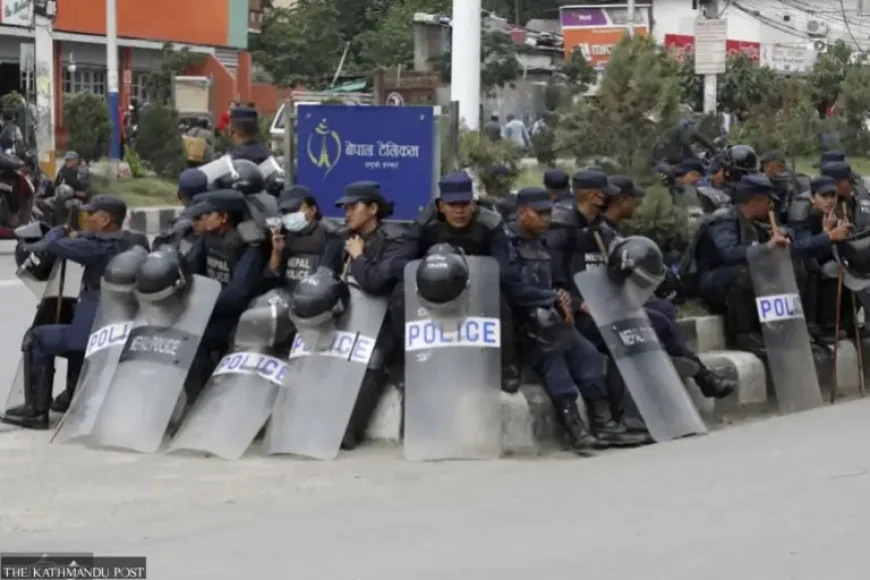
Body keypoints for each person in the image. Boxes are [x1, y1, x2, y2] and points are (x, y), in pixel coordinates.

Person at [506, 187, 645, 452]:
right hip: (522, 326)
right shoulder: (506, 242)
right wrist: (551, 297)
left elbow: (556, 280)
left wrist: (563, 297)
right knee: (554, 359)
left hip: (551, 319)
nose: (546, 219)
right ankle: (576, 429)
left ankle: (604, 425)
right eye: (540, 213)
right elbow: (512, 288)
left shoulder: (542, 241)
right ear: (522, 212)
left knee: (588, 354)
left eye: (548, 212)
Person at [1, 195, 135, 429]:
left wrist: (61, 229)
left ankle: (35, 411)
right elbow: (91, 239)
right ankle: (73, 396)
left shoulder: (92, 248)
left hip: (97, 331)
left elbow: (52, 244)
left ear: (106, 220)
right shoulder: (132, 242)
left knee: (38, 338)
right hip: (118, 324)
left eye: (91, 214)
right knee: (73, 327)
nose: (87, 218)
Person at [601, 176, 736, 399]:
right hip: (608, 303)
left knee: (663, 307)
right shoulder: (601, 233)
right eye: (634, 199)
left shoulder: (613, 231)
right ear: (622, 200)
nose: (637, 205)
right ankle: (702, 374)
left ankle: (680, 359)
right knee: (659, 317)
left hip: (624, 296)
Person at [392, 171, 527, 392]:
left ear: (474, 204)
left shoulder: (491, 223)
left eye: (465, 204)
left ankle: (506, 365)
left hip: (477, 285)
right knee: (398, 295)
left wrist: (472, 272)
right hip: (433, 285)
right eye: (452, 204)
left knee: (502, 296)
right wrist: (425, 273)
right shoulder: (425, 222)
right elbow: (399, 263)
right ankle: (403, 364)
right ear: (440, 206)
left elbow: (504, 268)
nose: (459, 210)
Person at [696, 174, 847, 354]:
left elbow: (795, 246)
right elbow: (729, 254)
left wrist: (786, 235)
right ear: (754, 201)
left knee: (799, 263)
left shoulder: (762, 221)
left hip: (747, 280)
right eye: (767, 201)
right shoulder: (724, 220)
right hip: (714, 279)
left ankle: (797, 325)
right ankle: (743, 334)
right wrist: (767, 246)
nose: (771, 206)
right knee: (744, 272)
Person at [317, 181, 404, 449]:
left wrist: (357, 257)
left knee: (374, 359)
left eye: (353, 207)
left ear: (373, 209)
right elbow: (323, 278)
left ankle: (348, 429)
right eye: (345, 208)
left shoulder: (395, 242)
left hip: (379, 319)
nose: (347, 213)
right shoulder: (339, 238)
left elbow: (376, 282)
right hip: (342, 314)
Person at [183, 190, 269, 405]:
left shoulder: (250, 244)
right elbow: (189, 267)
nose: (200, 219)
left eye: (207, 214)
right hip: (210, 308)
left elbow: (237, 294)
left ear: (223, 217)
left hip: (239, 316)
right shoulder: (208, 237)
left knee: (194, 342)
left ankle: (204, 404)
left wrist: (201, 305)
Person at [788, 176, 854, 343]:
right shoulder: (802, 215)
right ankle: (823, 326)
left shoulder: (841, 211)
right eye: (824, 196)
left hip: (825, 264)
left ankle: (846, 323)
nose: (829, 201)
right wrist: (827, 233)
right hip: (803, 268)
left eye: (833, 196)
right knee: (827, 268)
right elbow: (803, 249)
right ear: (813, 198)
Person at [265, 187, 336, 293]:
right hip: (287, 299)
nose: (290, 215)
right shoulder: (282, 235)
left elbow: (331, 279)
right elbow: (270, 278)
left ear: (312, 210)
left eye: (295, 209)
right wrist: (277, 252)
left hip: (315, 298)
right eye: (285, 211)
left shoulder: (328, 235)